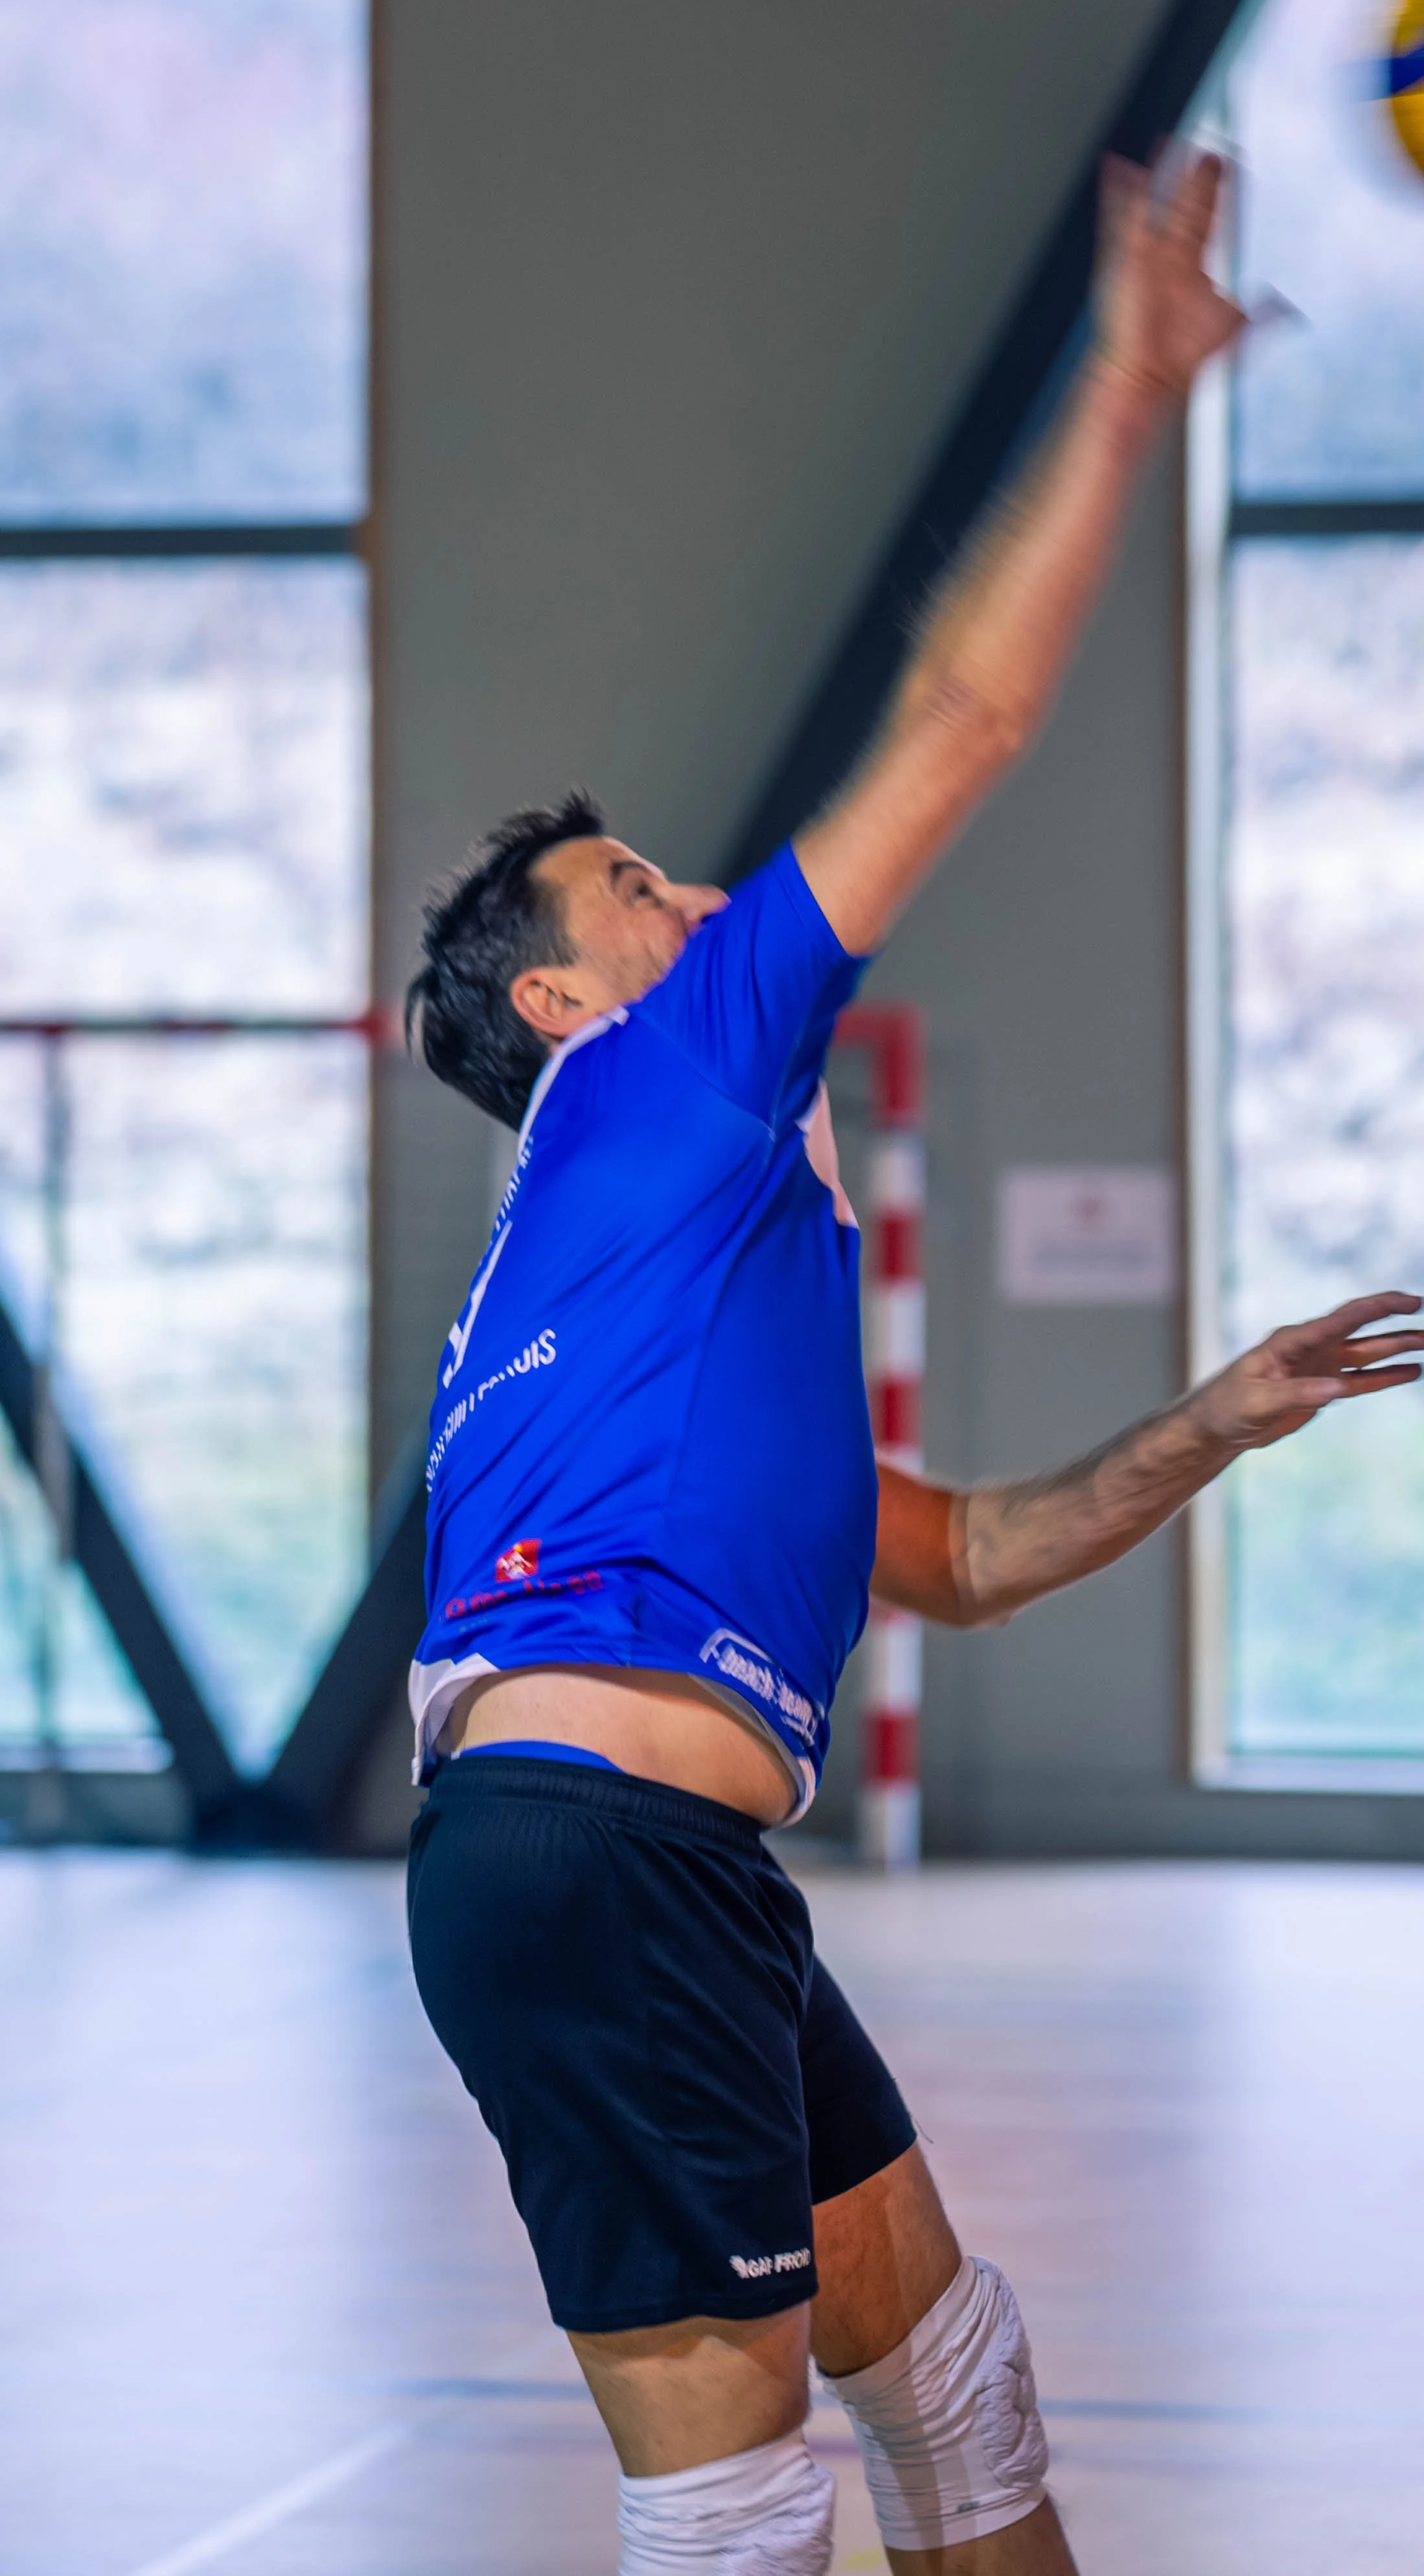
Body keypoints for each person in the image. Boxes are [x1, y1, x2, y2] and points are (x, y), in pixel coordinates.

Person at [401, 154, 1422, 2576]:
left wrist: (1205, 1422)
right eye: (637, 888)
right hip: (589, 1862)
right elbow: (965, 714)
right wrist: (1128, 382)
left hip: (663, 1864)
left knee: (951, 2389)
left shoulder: (659, 1287)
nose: (694, 892)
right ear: (559, 997)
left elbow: (951, 1557)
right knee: (737, 2512)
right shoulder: (651, 1082)